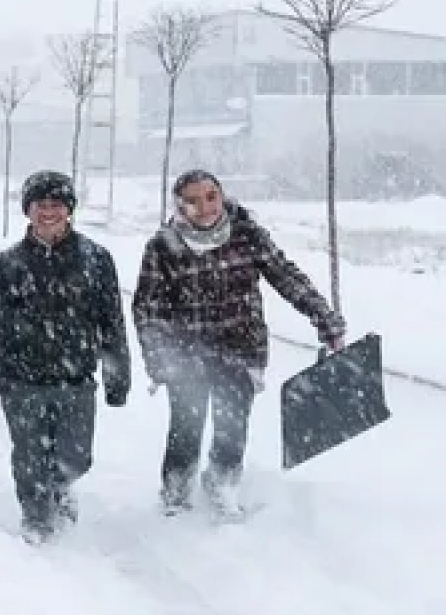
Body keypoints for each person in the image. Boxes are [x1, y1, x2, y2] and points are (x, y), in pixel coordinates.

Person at [132, 169, 345, 519]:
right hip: (187, 357)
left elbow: (287, 277)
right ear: (179, 206)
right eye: (193, 201)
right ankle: (175, 497)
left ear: (222, 195)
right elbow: (147, 309)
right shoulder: (163, 247)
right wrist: (160, 358)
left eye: (211, 196)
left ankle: (222, 491)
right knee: (186, 429)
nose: (205, 207)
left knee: (232, 429)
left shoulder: (246, 235)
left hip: (240, 351)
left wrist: (326, 320)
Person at [0, 170, 131, 545]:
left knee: (77, 457)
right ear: (28, 211)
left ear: (69, 210)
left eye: (56, 205)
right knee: (29, 457)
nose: (48, 212)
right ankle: (37, 518)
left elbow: (111, 321)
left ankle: (60, 488)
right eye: (40, 205)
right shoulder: (9, 263)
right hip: (22, 378)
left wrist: (117, 374)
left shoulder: (96, 258)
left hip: (76, 378)